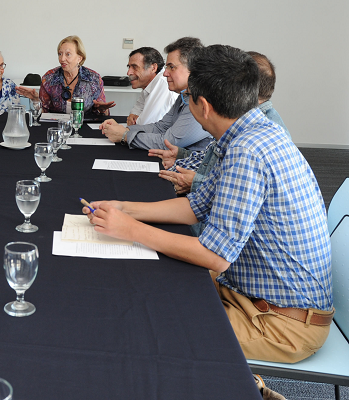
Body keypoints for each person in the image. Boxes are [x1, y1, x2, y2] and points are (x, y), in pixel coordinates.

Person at [84, 45, 333, 365]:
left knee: (147, 327)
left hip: (280, 323)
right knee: (150, 288)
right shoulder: (250, 131)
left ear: (201, 105)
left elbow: (215, 256)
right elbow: (196, 206)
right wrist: (126, 208)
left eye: (188, 98)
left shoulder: (248, 151)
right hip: (252, 296)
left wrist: (132, 230)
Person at [152, 51, 290, 202]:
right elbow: (213, 158)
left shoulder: (252, 140)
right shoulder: (247, 122)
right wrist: (183, 154)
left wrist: (198, 183)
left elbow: (237, 194)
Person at [100, 37, 212, 151]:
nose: (165, 74)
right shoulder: (185, 95)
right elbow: (160, 127)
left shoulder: (201, 100)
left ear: (192, 68)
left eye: (171, 67)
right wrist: (126, 131)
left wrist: (124, 136)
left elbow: (169, 142)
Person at [15, 35, 113, 115]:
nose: (62, 59)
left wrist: (103, 110)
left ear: (79, 58)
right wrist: (35, 99)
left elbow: (102, 114)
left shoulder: (94, 79)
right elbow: (43, 113)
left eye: (68, 54)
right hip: (56, 128)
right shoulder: (49, 78)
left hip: (84, 128)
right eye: (60, 54)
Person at [124, 47, 178, 126]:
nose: (128, 73)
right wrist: (132, 116)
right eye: (129, 67)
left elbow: (146, 125)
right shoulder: (148, 85)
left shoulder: (163, 82)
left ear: (153, 68)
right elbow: (135, 111)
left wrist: (136, 120)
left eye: (135, 67)